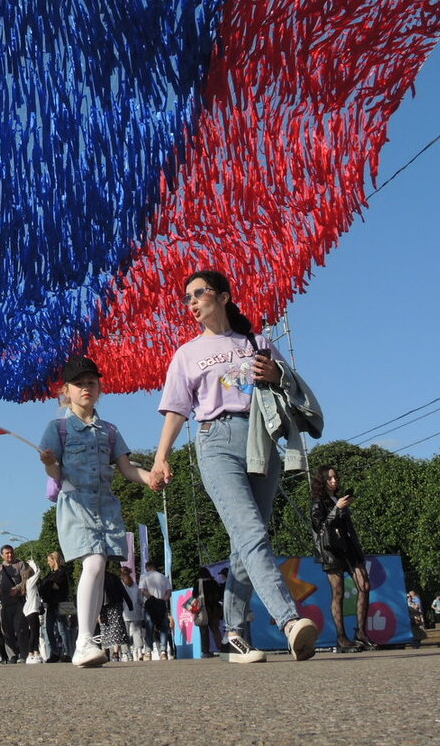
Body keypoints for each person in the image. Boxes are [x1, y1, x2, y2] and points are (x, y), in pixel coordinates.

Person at [149, 270, 320, 663]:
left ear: (223, 297)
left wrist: (276, 372)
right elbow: (176, 409)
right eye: (186, 298)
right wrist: (161, 457)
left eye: (199, 293)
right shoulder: (187, 353)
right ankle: (290, 620)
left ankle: (235, 632)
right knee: (250, 531)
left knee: (246, 545)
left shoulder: (256, 342)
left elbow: (289, 386)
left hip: (262, 439)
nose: (191, 303)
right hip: (216, 440)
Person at [38, 355, 151, 668]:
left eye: (91, 382)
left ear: (99, 387)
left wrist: (151, 477)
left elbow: (127, 469)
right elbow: (54, 473)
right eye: (79, 383)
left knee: (100, 570)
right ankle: (84, 640)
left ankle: (87, 638)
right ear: (66, 391)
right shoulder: (58, 428)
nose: (86, 387)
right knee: (95, 561)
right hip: (76, 503)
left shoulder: (109, 431)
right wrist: (50, 463)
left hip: (106, 505)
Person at [310, 466, 374, 651]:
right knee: (338, 592)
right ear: (322, 481)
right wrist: (336, 509)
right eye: (329, 478)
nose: (334, 481)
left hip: (349, 548)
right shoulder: (318, 502)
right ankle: (341, 637)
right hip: (331, 550)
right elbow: (319, 527)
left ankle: (361, 632)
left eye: (335, 477)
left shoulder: (338, 499)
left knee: (364, 585)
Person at [0, 543, 34, 662]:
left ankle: (23, 654)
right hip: (4, 604)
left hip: (18, 603)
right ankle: (12, 655)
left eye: (11, 552)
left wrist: (17, 588)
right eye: (7, 553)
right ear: (2, 555)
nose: (10, 555)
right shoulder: (0, 568)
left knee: (21, 629)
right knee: (6, 631)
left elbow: (27, 580)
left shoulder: (21, 564)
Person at [39, 551, 71, 662]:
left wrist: (46, 584)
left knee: (63, 629)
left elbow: (57, 586)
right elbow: (46, 584)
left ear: (54, 560)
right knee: (49, 629)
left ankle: (67, 652)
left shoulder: (62, 572)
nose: (48, 563)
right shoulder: (50, 574)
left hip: (62, 603)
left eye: (49, 561)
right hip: (51, 604)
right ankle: (55, 651)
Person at [139, 560, 172, 659]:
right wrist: (162, 601)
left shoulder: (143, 576)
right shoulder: (164, 577)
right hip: (161, 605)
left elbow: (143, 590)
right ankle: (163, 652)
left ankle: (148, 652)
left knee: (149, 628)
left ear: (147, 567)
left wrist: (151, 598)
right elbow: (168, 592)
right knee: (163, 628)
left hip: (150, 605)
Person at [22, 558, 44, 664]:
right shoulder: (30, 582)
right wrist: (33, 563)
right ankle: (30, 653)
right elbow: (38, 571)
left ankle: (36, 652)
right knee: (34, 633)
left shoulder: (30, 585)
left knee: (35, 632)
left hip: (32, 610)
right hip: (32, 611)